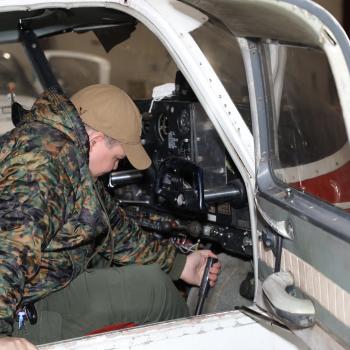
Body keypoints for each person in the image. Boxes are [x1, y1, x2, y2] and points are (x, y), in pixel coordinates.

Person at [0, 84, 220, 350]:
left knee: (114, 261)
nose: (115, 167)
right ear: (97, 139)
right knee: (156, 290)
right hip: (22, 308)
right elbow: (9, 249)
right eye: (117, 158)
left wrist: (180, 264)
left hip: (35, 282)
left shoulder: (65, 151)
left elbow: (113, 229)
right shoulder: (42, 166)